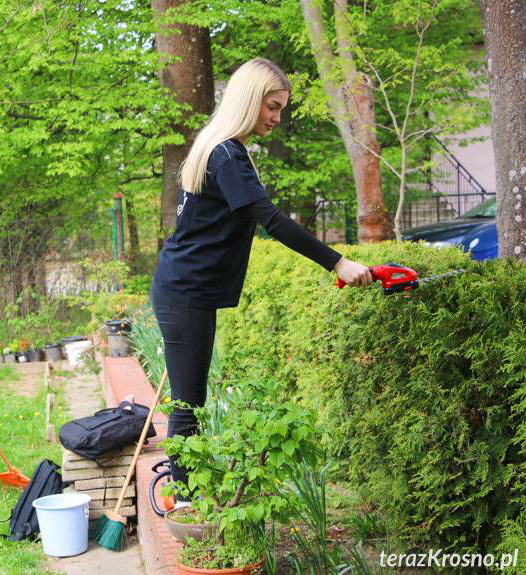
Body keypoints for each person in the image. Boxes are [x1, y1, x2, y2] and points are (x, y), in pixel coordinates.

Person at [151, 59, 372, 503]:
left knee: (188, 399)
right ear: (250, 100)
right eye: (272, 106)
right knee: (188, 403)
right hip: (185, 293)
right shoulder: (227, 153)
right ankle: (188, 504)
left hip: (185, 290)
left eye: (281, 109)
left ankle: (190, 494)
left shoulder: (220, 148)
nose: (276, 117)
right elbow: (269, 219)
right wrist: (337, 262)